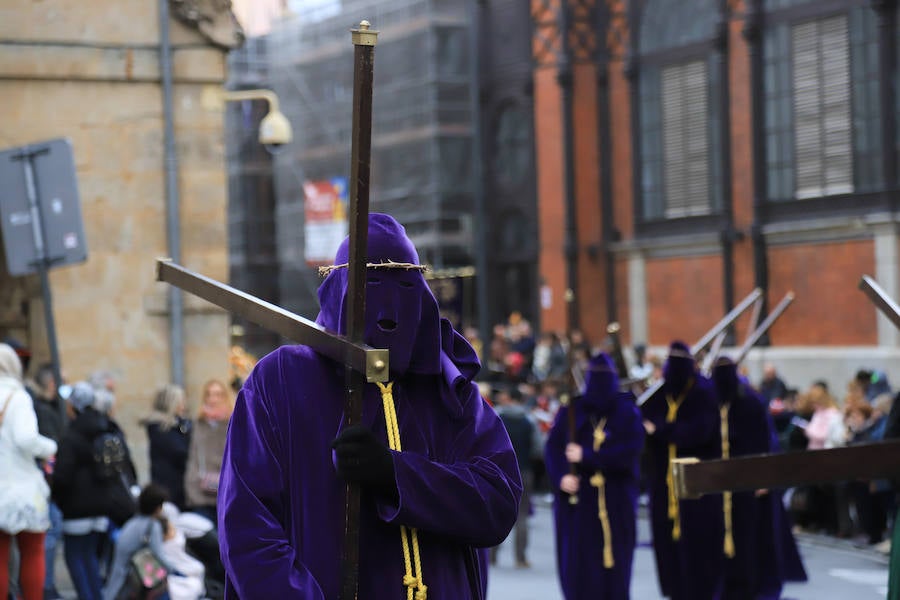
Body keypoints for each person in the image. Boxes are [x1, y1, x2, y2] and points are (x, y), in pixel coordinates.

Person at [218, 213, 521, 599]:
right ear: (339, 292)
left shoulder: (447, 388)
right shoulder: (281, 380)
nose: (389, 308)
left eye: (405, 286)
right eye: (372, 284)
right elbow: (248, 528)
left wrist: (396, 475)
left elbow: (497, 499)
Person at [544, 353, 644, 599]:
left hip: (616, 501)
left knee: (615, 572)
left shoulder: (627, 412)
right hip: (579, 504)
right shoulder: (572, 410)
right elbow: (553, 448)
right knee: (580, 571)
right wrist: (561, 477)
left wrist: (588, 456)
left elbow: (629, 453)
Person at [711, 357, 806, 599]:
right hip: (719, 482)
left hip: (748, 482)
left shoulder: (751, 403)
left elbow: (765, 441)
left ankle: (753, 583)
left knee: (753, 536)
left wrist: (763, 478)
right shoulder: (711, 402)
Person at [641, 341, 722, 600]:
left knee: (698, 543)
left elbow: (701, 432)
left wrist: (661, 430)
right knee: (666, 544)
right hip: (663, 483)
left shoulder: (703, 393)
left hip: (696, 485)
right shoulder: (659, 394)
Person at [53, 382, 137, 600]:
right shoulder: (105, 428)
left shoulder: (71, 435)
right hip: (102, 506)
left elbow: (62, 476)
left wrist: (57, 498)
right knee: (90, 557)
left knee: (75, 557)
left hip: (76, 508)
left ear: (73, 406)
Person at [0, 343, 58, 600]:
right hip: (22, 488)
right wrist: (50, 447)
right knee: (33, 551)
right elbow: (26, 438)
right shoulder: (18, 397)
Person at [102, 484, 179, 600]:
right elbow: (159, 554)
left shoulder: (132, 522)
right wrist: (175, 570)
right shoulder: (152, 525)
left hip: (120, 575)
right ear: (157, 507)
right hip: (134, 576)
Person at [490, 387, 538, 568]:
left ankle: (492, 555)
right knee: (522, 515)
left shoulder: (497, 416)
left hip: (499, 470)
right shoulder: (529, 419)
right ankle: (520, 558)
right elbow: (538, 448)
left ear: (509, 398)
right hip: (523, 470)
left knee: (496, 511)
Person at [184, 380, 231, 524]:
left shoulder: (233, 423)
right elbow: (193, 458)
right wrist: (192, 489)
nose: (213, 399)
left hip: (228, 495)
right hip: (201, 495)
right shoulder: (197, 425)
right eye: (209, 394)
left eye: (218, 394)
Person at [142, 385, 192, 510]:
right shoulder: (160, 428)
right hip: (170, 487)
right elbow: (180, 453)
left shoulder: (178, 425)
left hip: (178, 485)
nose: (183, 406)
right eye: (180, 402)